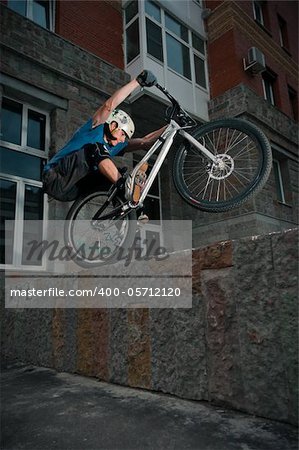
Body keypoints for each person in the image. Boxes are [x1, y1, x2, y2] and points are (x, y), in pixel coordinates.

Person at [43, 70, 165, 215]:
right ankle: (125, 187)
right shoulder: (95, 127)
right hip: (55, 177)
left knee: (119, 173)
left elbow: (145, 142)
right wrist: (137, 82)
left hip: (73, 190)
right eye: (122, 134)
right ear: (113, 125)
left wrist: (172, 126)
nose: (122, 140)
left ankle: (128, 213)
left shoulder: (116, 145)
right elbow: (109, 105)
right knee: (95, 149)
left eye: (124, 138)